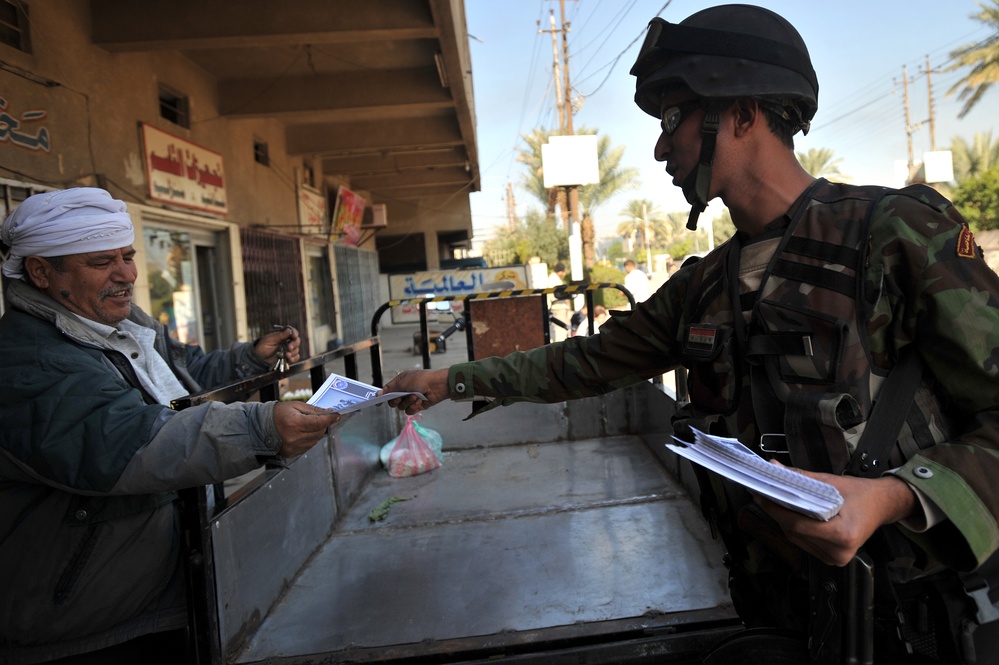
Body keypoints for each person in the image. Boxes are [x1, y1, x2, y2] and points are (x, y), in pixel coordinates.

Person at [382, 6, 999, 663]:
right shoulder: (705, 286)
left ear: (741, 114)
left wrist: (891, 496)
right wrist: (448, 379)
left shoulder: (893, 231)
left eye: (671, 118)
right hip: (779, 621)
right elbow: (583, 363)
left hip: (914, 623)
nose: (658, 147)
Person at [0, 188, 340, 664]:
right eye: (102, 262)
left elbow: (181, 382)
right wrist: (259, 428)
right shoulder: (28, 360)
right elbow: (128, 442)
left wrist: (247, 359)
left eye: (128, 256)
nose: (127, 274)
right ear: (40, 272)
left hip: (157, 585)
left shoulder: (122, 323)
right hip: (84, 618)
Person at [546, 261, 571, 342]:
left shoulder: (552, 279)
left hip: (556, 306)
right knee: (561, 330)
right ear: (560, 271)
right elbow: (555, 295)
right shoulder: (554, 280)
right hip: (558, 307)